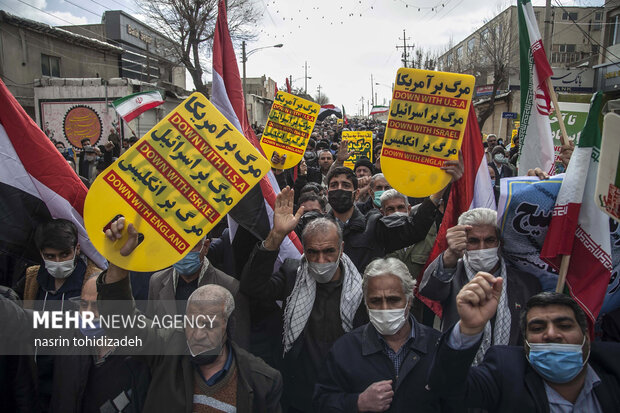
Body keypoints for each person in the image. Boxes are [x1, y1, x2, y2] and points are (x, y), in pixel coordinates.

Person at [97, 218, 283, 412]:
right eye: (191, 323)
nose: (199, 334)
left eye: (209, 324)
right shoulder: (168, 352)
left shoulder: (261, 381)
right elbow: (124, 325)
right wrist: (118, 262)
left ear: (227, 325)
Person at [240, 189, 368, 412]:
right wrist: (276, 237)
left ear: (341, 248)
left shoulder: (363, 288)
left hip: (346, 389)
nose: (321, 260)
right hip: (300, 390)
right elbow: (253, 288)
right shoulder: (292, 274)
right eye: (312, 253)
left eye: (329, 251)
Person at [428, 275, 620, 412]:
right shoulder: (505, 371)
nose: (552, 334)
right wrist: (469, 328)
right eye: (537, 328)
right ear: (525, 340)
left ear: (585, 334)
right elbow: (445, 386)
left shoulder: (613, 364)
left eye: (564, 325)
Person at [313, 258, 451, 412]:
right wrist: (357, 402)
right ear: (366, 303)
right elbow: (322, 402)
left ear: (409, 300)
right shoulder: (345, 349)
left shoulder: (438, 346)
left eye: (393, 300)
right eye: (376, 301)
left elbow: (455, 402)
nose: (385, 308)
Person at [419, 208, 541, 364]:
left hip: (510, 370)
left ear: (499, 242)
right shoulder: (452, 273)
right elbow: (430, 291)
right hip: (460, 365)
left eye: (489, 240)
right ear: (464, 242)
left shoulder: (526, 283)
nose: (482, 248)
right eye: (474, 241)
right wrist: (451, 254)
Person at [325, 163, 459, 272]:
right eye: (334, 185)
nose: (340, 189)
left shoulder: (373, 225)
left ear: (356, 193)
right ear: (327, 193)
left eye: (346, 185)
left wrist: (440, 189)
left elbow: (415, 229)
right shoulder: (315, 226)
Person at [147, 237, 250, 349]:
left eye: (191, 247)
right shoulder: (157, 281)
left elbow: (239, 346)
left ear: (205, 247)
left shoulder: (230, 287)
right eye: (176, 246)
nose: (183, 253)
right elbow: (152, 336)